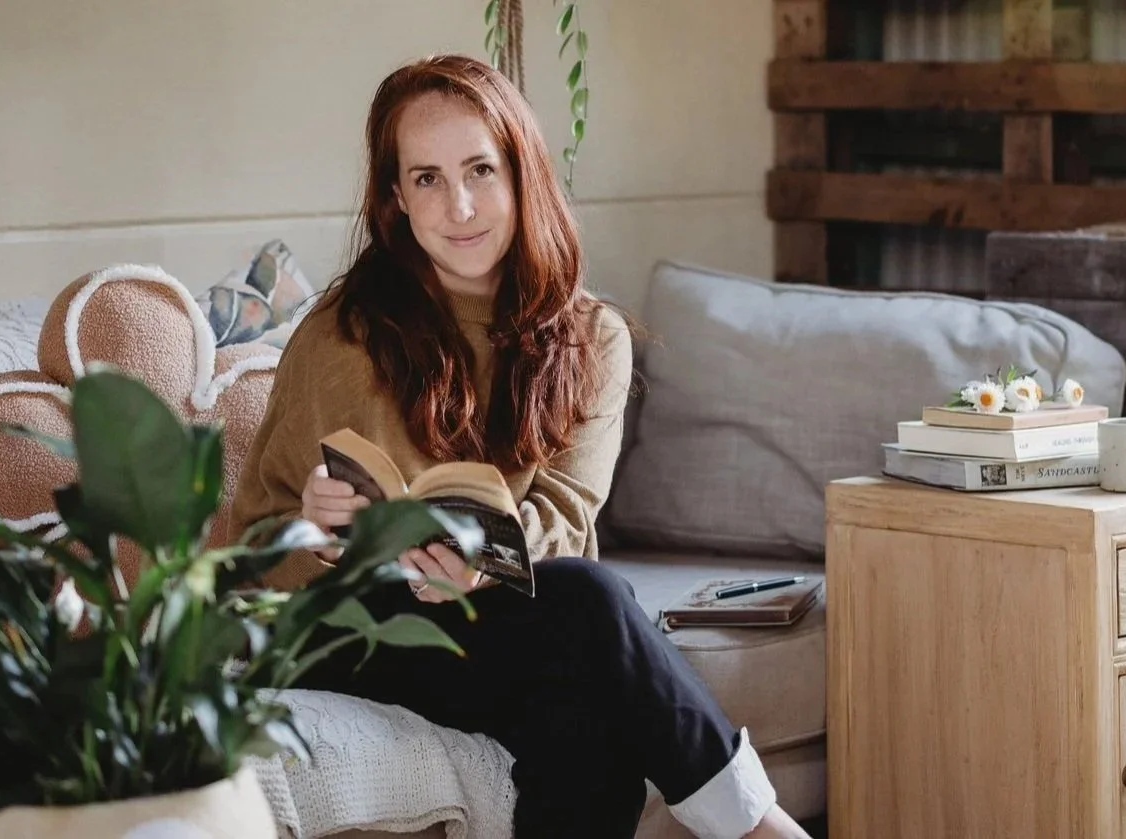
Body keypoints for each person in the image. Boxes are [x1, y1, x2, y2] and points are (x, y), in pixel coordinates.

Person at [226, 54, 813, 839]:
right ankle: (760, 826)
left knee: (585, 715)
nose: (460, 206)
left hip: (500, 616)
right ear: (395, 197)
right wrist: (319, 534)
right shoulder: (344, 334)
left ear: (521, 173)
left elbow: (565, 521)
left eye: (480, 170)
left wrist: (485, 559)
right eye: (427, 178)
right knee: (593, 606)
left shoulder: (593, 337)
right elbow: (253, 556)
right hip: (342, 629)